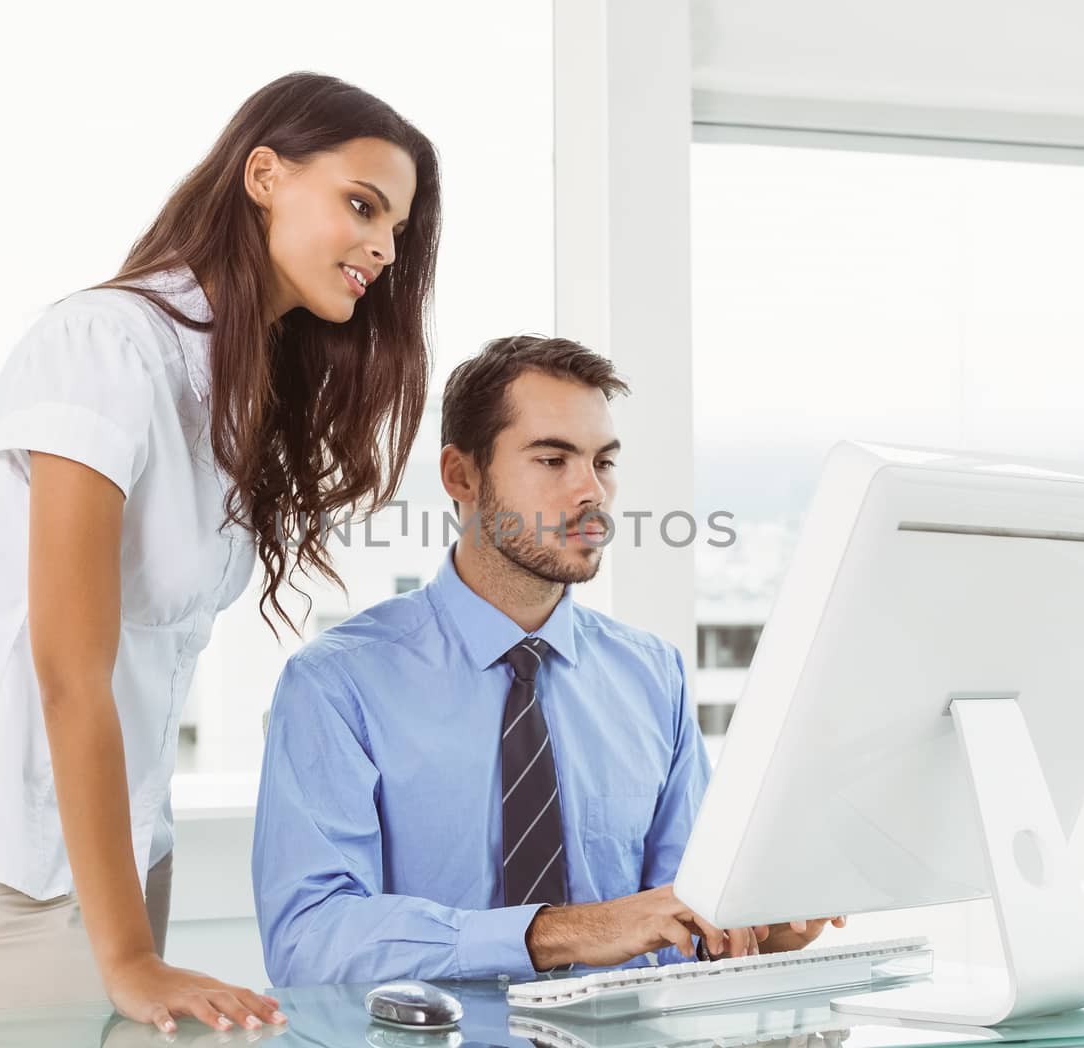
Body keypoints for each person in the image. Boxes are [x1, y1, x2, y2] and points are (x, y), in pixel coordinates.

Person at [0, 72, 440, 1031]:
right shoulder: (106, 345)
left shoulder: (235, 389)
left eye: (398, 229)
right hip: (5, 845)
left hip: (119, 846)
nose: (383, 247)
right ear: (263, 175)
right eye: (361, 204)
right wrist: (128, 955)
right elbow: (68, 671)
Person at [253, 335, 843, 985]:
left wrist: (755, 930)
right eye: (553, 459)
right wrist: (559, 933)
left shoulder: (654, 677)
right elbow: (308, 942)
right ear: (462, 475)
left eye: (604, 462)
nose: (591, 491)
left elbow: (677, 923)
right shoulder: (338, 684)